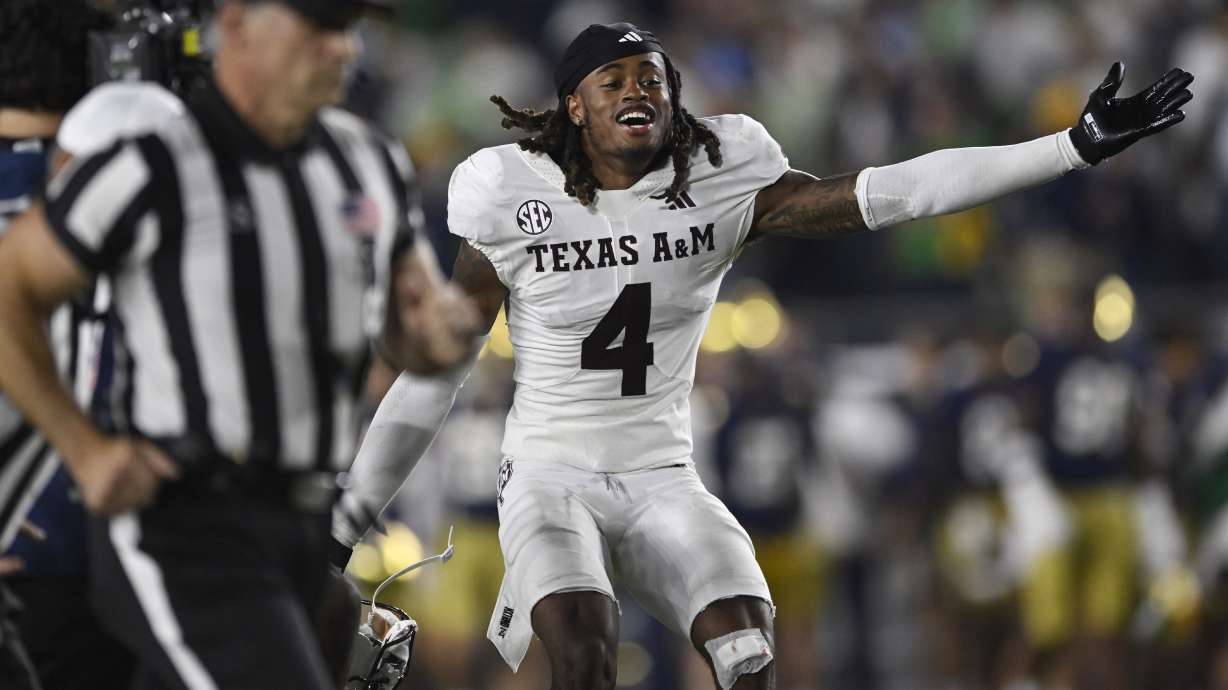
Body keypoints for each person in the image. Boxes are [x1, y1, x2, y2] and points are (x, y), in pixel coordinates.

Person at [331, 21, 1193, 690]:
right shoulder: (509, 192)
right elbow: (435, 372)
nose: (640, 89)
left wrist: (1065, 148)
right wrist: (349, 521)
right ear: (575, 108)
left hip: (663, 472)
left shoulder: (721, 176)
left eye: (654, 78)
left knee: (748, 652)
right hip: (548, 473)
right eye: (615, 80)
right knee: (586, 651)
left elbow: (892, 192)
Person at [0, 1, 480, 688]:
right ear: (237, 24)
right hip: (186, 522)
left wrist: (445, 335)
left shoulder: (366, 159)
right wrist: (86, 449)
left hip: (302, 520)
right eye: (318, 26)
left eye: (346, 29)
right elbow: (10, 291)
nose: (342, 49)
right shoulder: (152, 159)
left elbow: (416, 328)